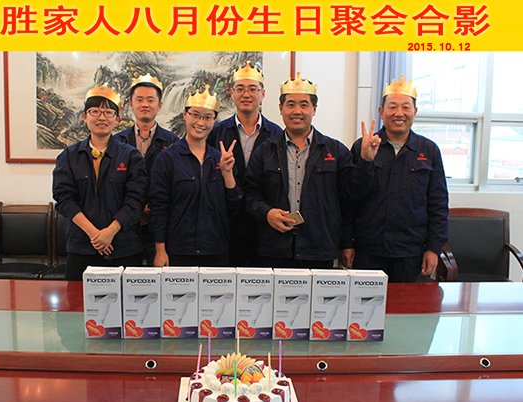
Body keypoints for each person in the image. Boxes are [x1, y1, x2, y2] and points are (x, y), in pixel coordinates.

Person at [244, 74, 380, 269]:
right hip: (274, 249)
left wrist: (366, 160)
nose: (297, 111)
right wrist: (267, 213)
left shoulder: (334, 150)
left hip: (319, 249)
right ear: (281, 108)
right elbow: (250, 194)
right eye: (291, 105)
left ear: (314, 109)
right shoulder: (265, 150)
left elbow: (354, 192)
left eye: (304, 105)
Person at [340, 75, 449, 282]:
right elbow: (349, 200)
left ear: (415, 112)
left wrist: (434, 247)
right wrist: (346, 242)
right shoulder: (363, 146)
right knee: (366, 302)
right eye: (392, 107)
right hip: (368, 249)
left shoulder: (429, 150)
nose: (399, 113)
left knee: (406, 302)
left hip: (410, 251)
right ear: (382, 112)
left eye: (406, 107)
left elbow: (438, 204)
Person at [53, 85, 148, 280]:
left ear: (117, 119)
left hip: (123, 247)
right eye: (95, 111)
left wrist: (111, 231)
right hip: (82, 246)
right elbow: (64, 199)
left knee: (125, 299)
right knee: (77, 299)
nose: (102, 117)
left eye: (108, 112)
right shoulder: (69, 156)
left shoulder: (131, 156)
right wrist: (95, 234)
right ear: (85, 117)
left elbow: (136, 199)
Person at [149, 84, 242, 267]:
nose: (201, 123)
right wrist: (160, 250)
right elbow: (158, 208)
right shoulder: (167, 159)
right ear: (185, 115)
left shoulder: (222, 159)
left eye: (208, 117)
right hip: (178, 250)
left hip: (215, 250)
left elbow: (234, 205)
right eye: (196, 115)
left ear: (214, 120)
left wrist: (227, 173)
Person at [207, 61, 283, 267]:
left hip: (264, 227)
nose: (246, 94)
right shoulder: (217, 133)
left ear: (263, 93)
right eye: (240, 89)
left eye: (252, 89)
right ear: (232, 93)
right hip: (226, 224)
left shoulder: (276, 134)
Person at [114, 74, 179, 266]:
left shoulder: (173, 142)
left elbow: (176, 182)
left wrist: (154, 207)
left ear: (159, 106)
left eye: (150, 100)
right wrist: (134, 208)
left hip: (160, 223)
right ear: (130, 104)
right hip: (124, 223)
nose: (145, 104)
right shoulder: (117, 141)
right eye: (139, 99)